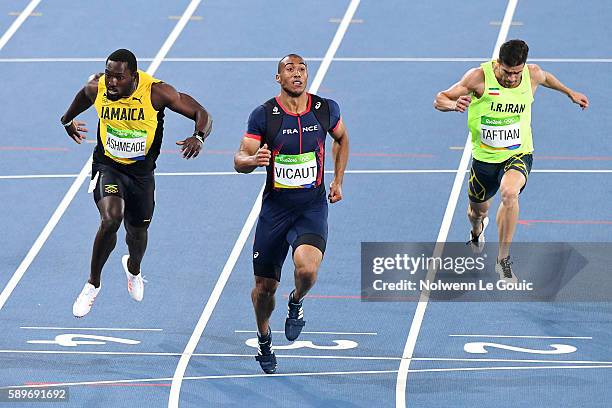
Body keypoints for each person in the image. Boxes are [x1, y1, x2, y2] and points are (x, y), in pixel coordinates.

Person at [60, 49, 212, 317]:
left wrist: (198, 137)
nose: (112, 82)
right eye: (108, 75)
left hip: (141, 175)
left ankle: (134, 270)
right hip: (108, 166)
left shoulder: (157, 92)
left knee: (137, 233)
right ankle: (92, 284)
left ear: (133, 76)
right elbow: (84, 94)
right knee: (111, 219)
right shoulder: (98, 89)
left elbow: (202, 113)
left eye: (119, 77)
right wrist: (67, 120)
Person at [434, 39, 588, 282]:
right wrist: (454, 105)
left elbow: (547, 78)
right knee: (477, 212)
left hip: (518, 153)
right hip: (484, 159)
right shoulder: (478, 77)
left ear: (523, 67)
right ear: (498, 64)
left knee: (509, 193)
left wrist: (570, 93)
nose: (511, 78)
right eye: (506, 72)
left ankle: (502, 259)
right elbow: (440, 98)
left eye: (516, 73)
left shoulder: (532, 74)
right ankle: (476, 232)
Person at [234, 54, 349, 374]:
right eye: (289, 69)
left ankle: (296, 301)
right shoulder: (264, 116)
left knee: (308, 271)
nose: (297, 74)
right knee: (263, 291)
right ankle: (264, 338)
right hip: (275, 211)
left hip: (311, 208)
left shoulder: (325, 109)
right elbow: (239, 159)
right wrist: (252, 160)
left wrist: (338, 180)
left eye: (302, 69)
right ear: (278, 78)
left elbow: (342, 138)